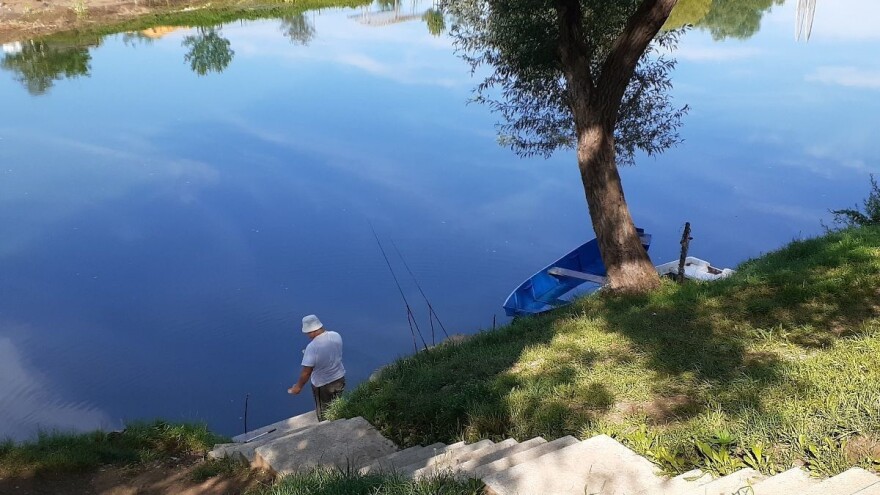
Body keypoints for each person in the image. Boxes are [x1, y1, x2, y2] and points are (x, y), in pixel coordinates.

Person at [287, 314, 346, 421]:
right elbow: (331, 352)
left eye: (307, 333)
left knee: (324, 413)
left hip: (323, 385)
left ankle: (327, 430)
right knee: (338, 406)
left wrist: (298, 387)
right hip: (339, 378)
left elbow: (306, 372)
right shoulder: (336, 335)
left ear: (312, 331)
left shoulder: (312, 347)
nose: (308, 336)